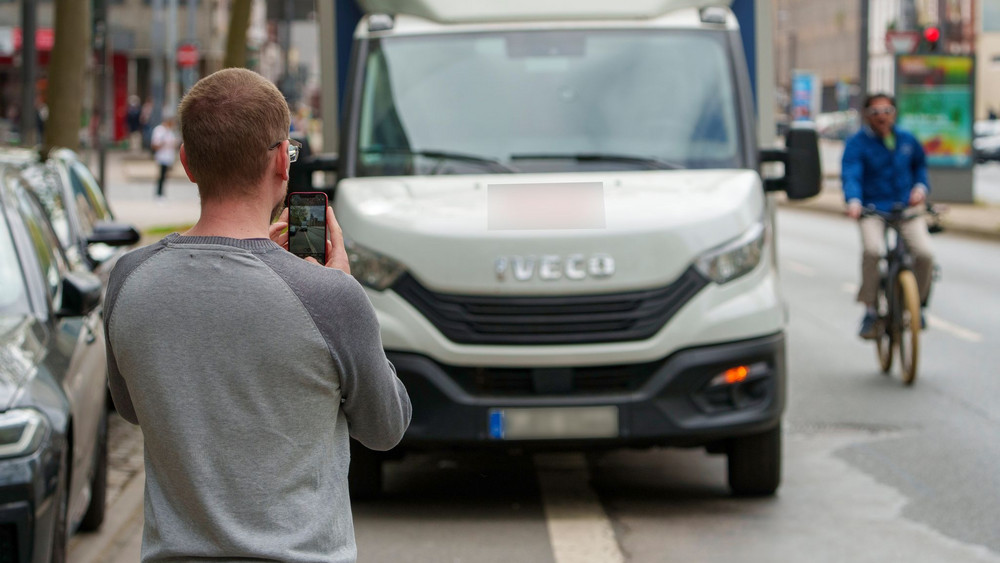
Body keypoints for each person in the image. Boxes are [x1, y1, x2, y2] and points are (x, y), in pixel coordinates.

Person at [103, 68, 411, 562]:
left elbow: (133, 407)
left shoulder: (128, 279)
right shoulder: (329, 298)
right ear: (280, 164)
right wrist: (340, 288)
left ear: (186, 162)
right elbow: (386, 426)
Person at [842, 93, 935, 339]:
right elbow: (851, 174)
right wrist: (853, 202)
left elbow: (920, 167)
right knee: (872, 251)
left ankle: (918, 306)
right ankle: (870, 309)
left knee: (924, 254)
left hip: (905, 209)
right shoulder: (857, 143)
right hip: (872, 209)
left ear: (894, 113)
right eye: (875, 112)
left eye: (887, 110)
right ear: (866, 116)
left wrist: (920, 188)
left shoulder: (906, 139)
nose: (882, 117)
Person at [150, 112, 179, 199]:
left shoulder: (171, 131)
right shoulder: (159, 130)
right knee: (161, 176)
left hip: (169, 157)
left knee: (165, 176)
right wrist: (164, 142)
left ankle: (162, 193)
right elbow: (155, 144)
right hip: (162, 157)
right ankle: (158, 193)